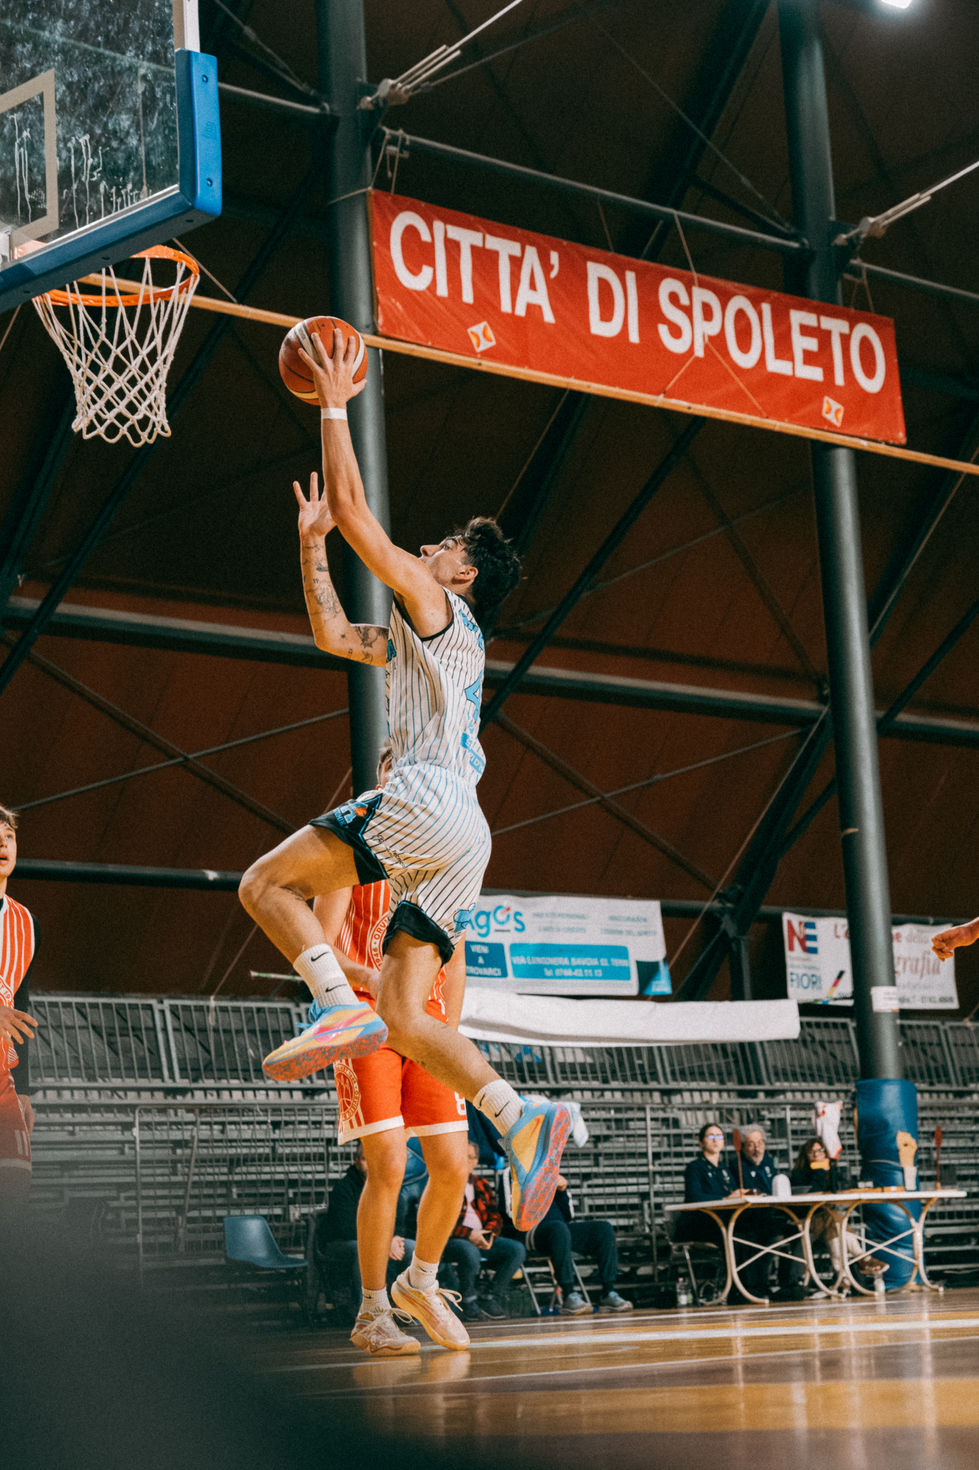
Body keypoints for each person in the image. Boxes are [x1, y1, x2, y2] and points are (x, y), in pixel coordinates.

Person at [238, 324, 572, 1258]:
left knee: (264, 885)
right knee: (405, 1017)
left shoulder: (441, 606)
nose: (427, 547)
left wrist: (332, 404)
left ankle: (329, 1002)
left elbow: (357, 512)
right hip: (466, 833)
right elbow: (334, 636)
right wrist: (312, 548)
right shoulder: (429, 640)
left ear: (462, 574)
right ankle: (519, 1115)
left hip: (426, 799)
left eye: (445, 544)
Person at [311, 779, 472, 1356]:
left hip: (426, 1024)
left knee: (452, 1165)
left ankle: (420, 1283)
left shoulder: (448, 860)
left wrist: (449, 1035)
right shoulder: (347, 851)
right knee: (389, 1163)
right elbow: (319, 944)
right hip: (366, 1021)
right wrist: (368, 978)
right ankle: (372, 1310)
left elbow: (455, 962)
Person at [313, 1140, 415, 1329]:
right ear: (357, 1161)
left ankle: (404, 1307)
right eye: (365, 1159)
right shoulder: (344, 1187)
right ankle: (368, 1313)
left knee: (412, 1248)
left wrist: (395, 1239)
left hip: (378, 1242)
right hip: (340, 1243)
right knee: (365, 1252)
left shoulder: (388, 1185)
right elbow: (348, 1228)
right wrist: (384, 1243)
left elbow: (400, 1219)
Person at [675, 1122, 770, 1301]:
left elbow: (733, 1194)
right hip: (701, 1224)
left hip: (724, 1221)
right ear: (701, 1143)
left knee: (756, 1232)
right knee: (738, 1236)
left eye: (719, 1136)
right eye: (711, 1136)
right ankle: (737, 1290)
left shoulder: (725, 1169)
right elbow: (695, 1196)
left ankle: (756, 1286)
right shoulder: (695, 1168)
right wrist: (726, 1198)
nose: (715, 1140)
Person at [518, 1171, 633, 1315]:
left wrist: (562, 1191)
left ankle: (608, 1292)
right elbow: (509, 1213)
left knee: (604, 1229)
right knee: (559, 1229)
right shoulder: (512, 1173)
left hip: (559, 1231)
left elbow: (569, 1216)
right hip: (531, 1231)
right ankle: (568, 1294)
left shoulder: (549, 1171)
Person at [0, 804, 38, 1206]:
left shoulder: (27, 922)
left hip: (3, 1083)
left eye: (8, 837)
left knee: (14, 1192)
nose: (2, 844)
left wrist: (24, 1089)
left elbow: (21, 1008)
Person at [442, 1140, 526, 1320]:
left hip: (481, 1237)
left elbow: (495, 1216)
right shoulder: (444, 1182)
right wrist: (469, 1234)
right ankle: (468, 1300)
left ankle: (491, 1296)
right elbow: (441, 1221)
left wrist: (488, 1235)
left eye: (472, 1157)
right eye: (464, 1156)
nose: (468, 1161)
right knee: (469, 1250)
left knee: (516, 1249)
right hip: (453, 1240)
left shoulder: (481, 1183)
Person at [790, 1136, 887, 1281]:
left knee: (834, 1221)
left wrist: (831, 1170)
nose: (817, 1155)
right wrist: (820, 1171)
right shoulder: (799, 1174)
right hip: (807, 1220)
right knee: (834, 1218)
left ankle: (843, 1276)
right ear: (806, 1155)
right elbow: (813, 1194)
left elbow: (837, 1189)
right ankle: (863, 1259)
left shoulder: (828, 1170)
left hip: (826, 1221)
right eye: (812, 1152)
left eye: (820, 1151)